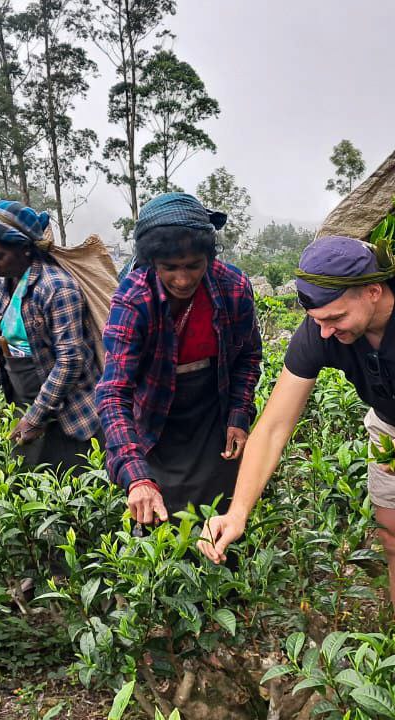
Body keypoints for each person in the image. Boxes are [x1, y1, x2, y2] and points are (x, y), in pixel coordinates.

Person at [199, 235, 395, 680]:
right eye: (318, 321)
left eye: (336, 318)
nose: (326, 332)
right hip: (389, 428)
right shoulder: (322, 329)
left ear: (373, 290)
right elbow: (273, 426)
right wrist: (238, 513)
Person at [97, 192, 263, 525]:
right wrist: (136, 477)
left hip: (211, 416)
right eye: (170, 268)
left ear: (209, 257)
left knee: (220, 517)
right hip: (155, 426)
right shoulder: (134, 299)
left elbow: (247, 357)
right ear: (152, 262)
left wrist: (238, 414)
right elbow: (114, 393)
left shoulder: (232, 287)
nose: (183, 279)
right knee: (159, 519)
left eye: (193, 265)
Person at [0, 200, 103, 472]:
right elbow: (1, 347)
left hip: (71, 414)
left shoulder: (56, 287)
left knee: (75, 489)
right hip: (25, 403)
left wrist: (36, 416)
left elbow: (70, 361)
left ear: (25, 249)